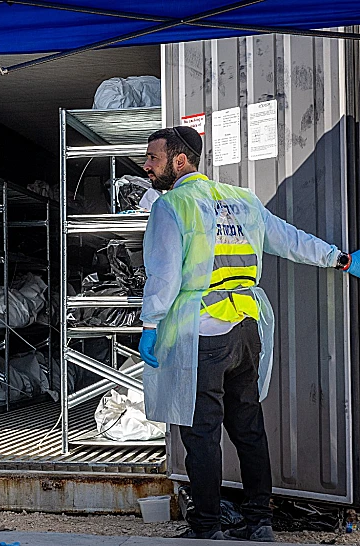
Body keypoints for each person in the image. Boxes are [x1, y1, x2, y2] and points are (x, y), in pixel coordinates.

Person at [137, 126, 360, 542]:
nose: (146, 165)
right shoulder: (243, 201)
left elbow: (163, 277)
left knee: (201, 433)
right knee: (248, 427)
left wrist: (150, 325)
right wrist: (339, 259)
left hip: (201, 334)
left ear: (180, 160)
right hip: (246, 328)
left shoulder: (172, 207)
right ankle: (260, 522)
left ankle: (207, 528)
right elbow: (289, 240)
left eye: (153, 157)